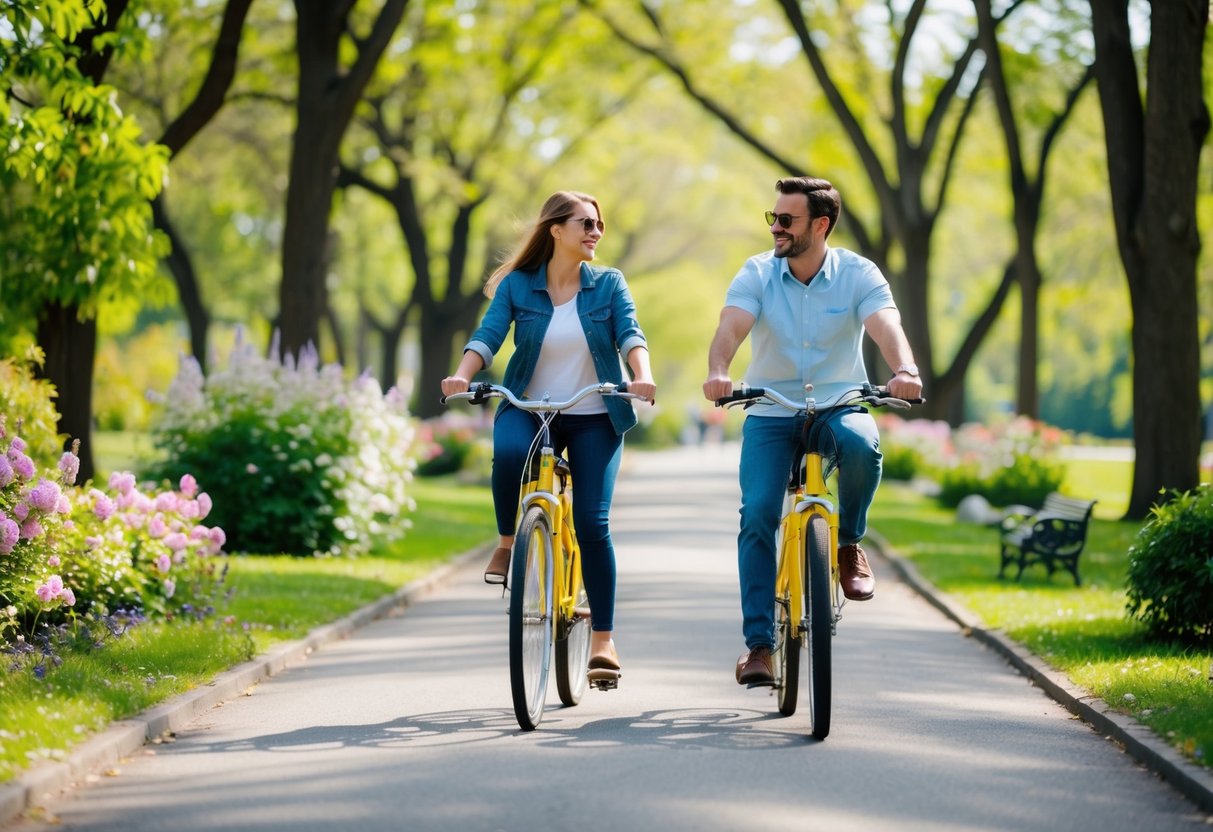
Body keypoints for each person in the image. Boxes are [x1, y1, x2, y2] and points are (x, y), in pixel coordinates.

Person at [702, 177, 923, 686]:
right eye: (773, 218)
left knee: (863, 445)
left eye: (786, 220)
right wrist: (719, 369)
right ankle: (759, 645)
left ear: (820, 225)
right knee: (757, 514)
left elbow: (885, 323)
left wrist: (905, 370)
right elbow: (731, 327)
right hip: (771, 408)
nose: (776, 228)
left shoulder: (858, 273)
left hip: (837, 403)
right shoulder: (758, 271)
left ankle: (847, 542)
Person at [441, 190, 657, 686]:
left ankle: (602, 640)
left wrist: (639, 375)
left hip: (594, 412)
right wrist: (461, 374)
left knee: (591, 521)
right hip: (529, 404)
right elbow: (489, 334)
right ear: (555, 229)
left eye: (599, 224)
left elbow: (630, 333)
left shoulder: (609, 284)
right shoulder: (519, 285)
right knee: (510, 452)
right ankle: (506, 540)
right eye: (585, 223)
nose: (595, 232)